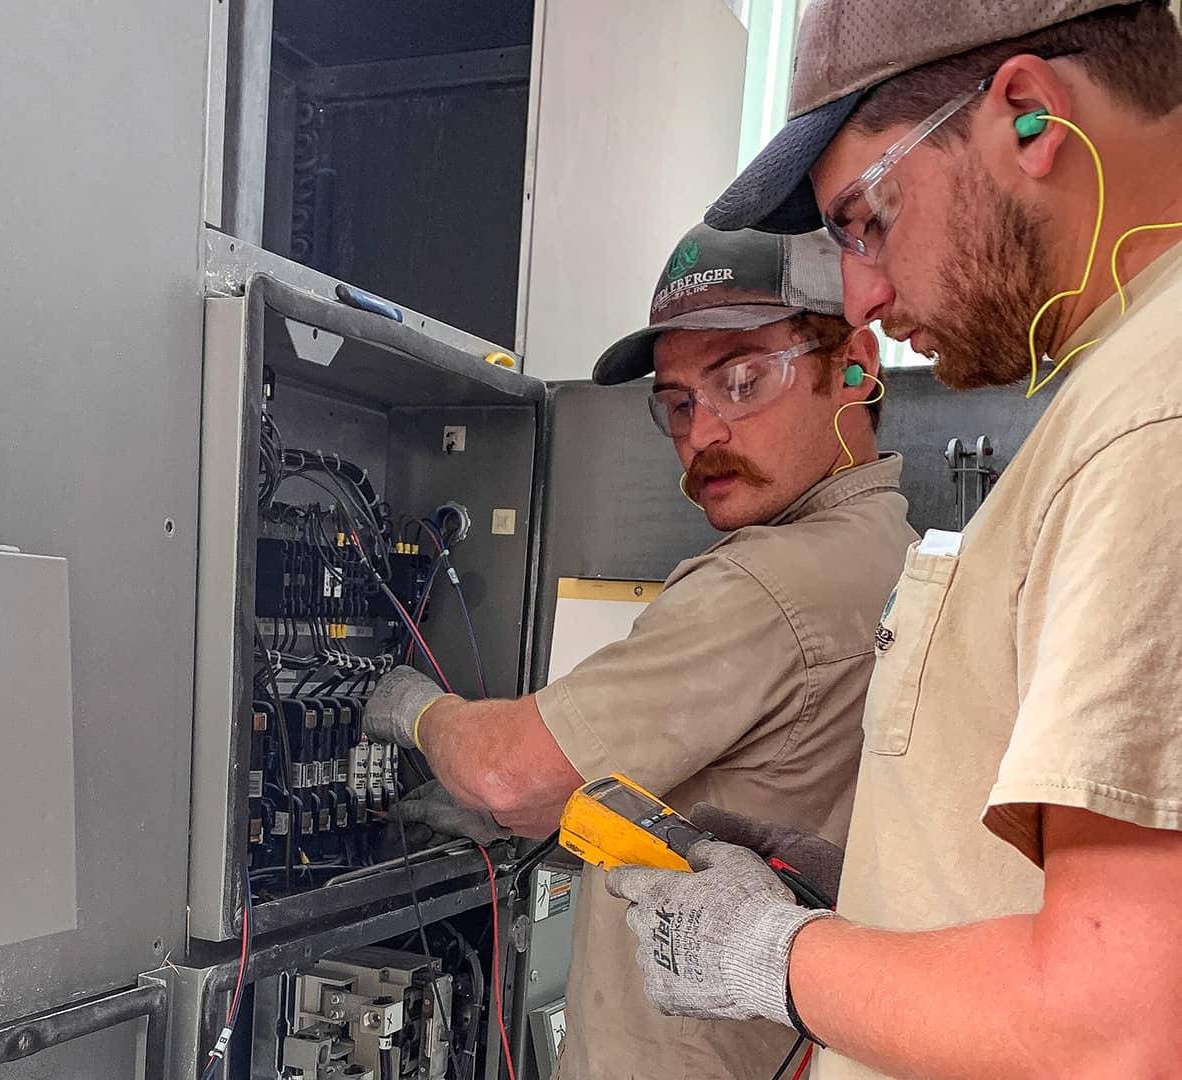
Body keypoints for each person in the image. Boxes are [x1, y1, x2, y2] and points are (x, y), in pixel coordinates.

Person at [605, 3, 1182, 1077]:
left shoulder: (1154, 419)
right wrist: (871, 894)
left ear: (1026, 115)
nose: (863, 292)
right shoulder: (1118, 388)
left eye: (868, 217)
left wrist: (773, 958)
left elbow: (1119, 1029)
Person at [364, 222, 915, 1078]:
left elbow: (507, 770)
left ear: (856, 364)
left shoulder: (766, 586)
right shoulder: (889, 546)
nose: (702, 433)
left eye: (741, 379)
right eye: (680, 402)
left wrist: (410, 708)